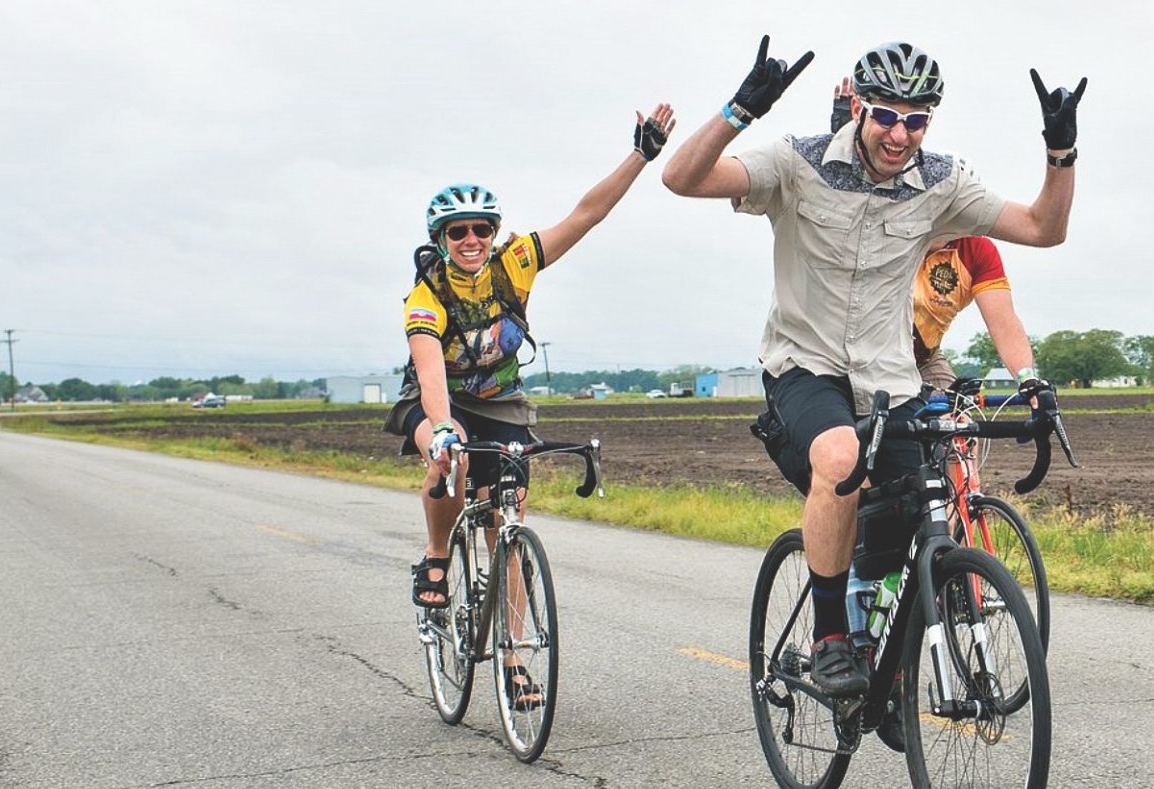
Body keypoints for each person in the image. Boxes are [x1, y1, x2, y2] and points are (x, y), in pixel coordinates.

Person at [664, 38, 1083, 699]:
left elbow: (1042, 227)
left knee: (920, 503)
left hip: (890, 379)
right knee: (840, 458)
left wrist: (1060, 153)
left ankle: (884, 666)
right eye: (887, 115)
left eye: (917, 120)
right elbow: (681, 178)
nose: (900, 134)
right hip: (805, 365)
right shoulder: (796, 162)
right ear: (858, 104)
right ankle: (829, 636)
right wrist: (739, 110)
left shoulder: (939, 180)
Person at [395, 104, 677, 705]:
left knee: (510, 518)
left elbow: (588, 214)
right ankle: (437, 557)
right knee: (451, 460)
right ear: (440, 241)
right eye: (457, 232)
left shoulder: (514, 263)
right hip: (436, 397)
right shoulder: (427, 294)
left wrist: (642, 155)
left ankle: (516, 657)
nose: (471, 240)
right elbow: (431, 376)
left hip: (500, 401)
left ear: (493, 232)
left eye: (481, 229)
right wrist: (443, 429)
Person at [828, 78, 1048, 394]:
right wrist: (846, 142)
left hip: (922, 358)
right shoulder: (893, 225)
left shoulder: (977, 251)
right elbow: (848, 214)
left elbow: (1004, 322)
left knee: (959, 422)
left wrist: (1027, 378)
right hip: (856, 355)